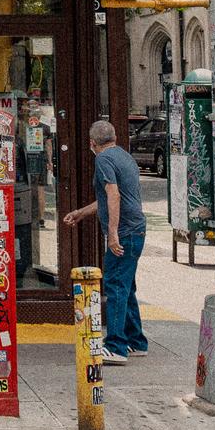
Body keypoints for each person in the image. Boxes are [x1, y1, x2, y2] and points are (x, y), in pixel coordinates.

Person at [63, 119, 148, 365]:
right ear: (115, 138)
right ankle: (136, 341)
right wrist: (81, 213)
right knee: (126, 286)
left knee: (115, 286)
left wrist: (112, 234)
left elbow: (113, 195)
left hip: (124, 232)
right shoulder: (125, 157)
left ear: (92, 143)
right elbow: (108, 198)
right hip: (136, 231)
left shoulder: (103, 159)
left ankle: (116, 346)